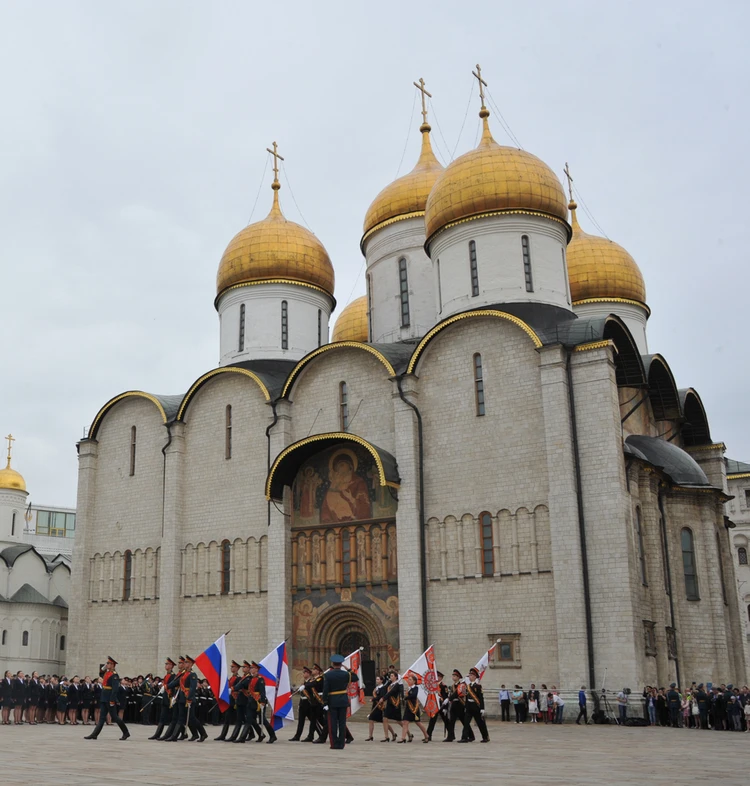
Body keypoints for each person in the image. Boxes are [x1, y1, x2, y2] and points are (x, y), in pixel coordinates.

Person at [84, 657, 130, 740]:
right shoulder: (107, 673)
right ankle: (94, 734)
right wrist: (103, 668)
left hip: (109, 698)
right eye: (107, 663)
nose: (107, 664)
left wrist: (112, 700)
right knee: (102, 718)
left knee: (115, 717)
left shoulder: (115, 675)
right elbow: (101, 673)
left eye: (108, 663)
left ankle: (126, 732)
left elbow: (115, 690)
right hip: (104, 697)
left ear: (112, 665)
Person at [322, 653, 358, 750]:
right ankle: (341, 744)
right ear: (341, 664)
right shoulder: (346, 674)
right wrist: (349, 669)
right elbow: (356, 678)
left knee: (332, 723)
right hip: (343, 700)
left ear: (333, 663)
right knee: (342, 723)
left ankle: (334, 744)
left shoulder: (328, 675)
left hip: (332, 701)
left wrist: (324, 702)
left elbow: (325, 690)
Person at [458, 668, 489, 743]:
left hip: (476, 706)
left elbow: (481, 698)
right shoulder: (467, 686)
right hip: (469, 706)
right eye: (469, 675)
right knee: (466, 723)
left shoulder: (478, 686)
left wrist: (482, 708)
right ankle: (464, 737)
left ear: (475, 677)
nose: (470, 677)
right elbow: (466, 696)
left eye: (471, 675)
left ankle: (485, 737)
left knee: (480, 723)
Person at [400, 674, 429, 742]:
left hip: (414, 708)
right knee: (405, 722)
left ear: (414, 681)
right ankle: (403, 738)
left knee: (418, 723)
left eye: (410, 679)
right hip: (408, 708)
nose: (408, 681)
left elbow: (413, 695)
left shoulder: (416, 688)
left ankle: (426, 735)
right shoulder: (409, 688)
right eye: (408, 679)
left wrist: (406, 697)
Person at [426, 671, 449, 741]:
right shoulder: (433, 685)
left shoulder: (443, 686)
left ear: (441, 678)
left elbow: (445, 697)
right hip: (435, 705)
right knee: (432, 720)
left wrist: (445, 708)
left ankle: (451, 734)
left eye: (438, 676)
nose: (437, 678)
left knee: (446, 720)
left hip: (441, 705)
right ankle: (428, 735)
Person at [382, 670, 402, 742]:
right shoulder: (390, 684)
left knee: (399, 721)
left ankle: (408, 733)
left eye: (392, 676)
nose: (390, 677)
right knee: (385, 718)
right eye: (390, 676)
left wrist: (383, 698)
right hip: (389, 703)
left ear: (396, 677)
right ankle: (387, 736)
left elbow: (391, 692)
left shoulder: (397, 685)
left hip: (395, 704)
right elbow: (384, 689)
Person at [366, 674, 386, 741]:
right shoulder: (376, 688)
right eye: (376, 679)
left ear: (381, 680)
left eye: (378, 679)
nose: (377, 680)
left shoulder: (383, 688)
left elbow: (381, 696)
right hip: (375, 705)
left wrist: (373, 699)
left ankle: (393, 733)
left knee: (384, 722)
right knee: (371, 719)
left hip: (380, 706)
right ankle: (370, 736)